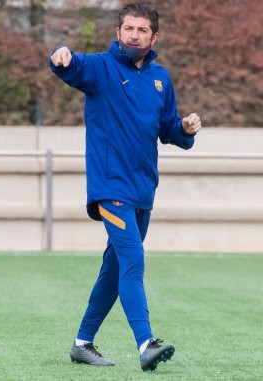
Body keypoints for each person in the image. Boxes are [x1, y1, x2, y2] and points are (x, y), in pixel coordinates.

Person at [49, 2, 202, 372]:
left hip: (143, 191)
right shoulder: (100, 67)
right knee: (133, 262)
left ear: (154, 37)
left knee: (114, 271)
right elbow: (69, 66)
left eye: (142, 30)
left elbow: (167, 130)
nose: (134, 34)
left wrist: (184, 128)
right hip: (110, 188)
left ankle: (82, 343)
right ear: (118, 32)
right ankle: (146, 343)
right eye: (128, 28)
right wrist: (61, 56)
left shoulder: (160, 79)